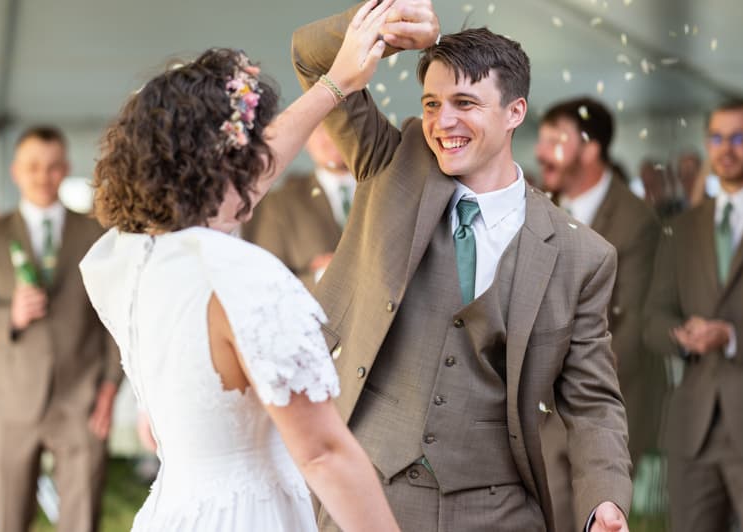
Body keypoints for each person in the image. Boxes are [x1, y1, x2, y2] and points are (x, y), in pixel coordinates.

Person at [293, 3, 632, 531]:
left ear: (515, 111)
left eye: (465, 103)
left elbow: (592, 402)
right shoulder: (391, 165)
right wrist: (388, 25)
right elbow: (311, 59)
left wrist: (605, 500)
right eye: (431, 103)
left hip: (499, 510)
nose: (443, 121)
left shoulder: (581, 255)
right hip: (368, 498)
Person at [79, 2, 400, 530]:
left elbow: (241, 177)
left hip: (174, 510)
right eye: (247, 148)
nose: (260, 161)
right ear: (227, 163)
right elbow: (322, 453)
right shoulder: (240, 276)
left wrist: (335, 85)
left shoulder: (124, 258)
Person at [0, 126, 122, 531]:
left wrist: (109, 388)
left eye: (54, 166)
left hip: (83, 401)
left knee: (81, 521)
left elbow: (114, 320)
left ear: (66, 170)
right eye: (34, 166)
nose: (44, 175)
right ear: (15, 171)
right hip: (9, 404)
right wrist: (9, 317)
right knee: (7, 521)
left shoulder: (96, 233)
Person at [535, 97, 663, 531]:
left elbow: (634, 325)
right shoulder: (534, 205)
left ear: (590, 150)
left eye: (557, 139)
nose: (540, 150)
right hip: (541, 408)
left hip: (606, 401)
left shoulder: (636, 220)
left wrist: (562, 379)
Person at [644, 100, 743, 532]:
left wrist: (733, 336)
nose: (726, 149)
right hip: (691, 430)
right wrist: (682, 336)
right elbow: (653, 319)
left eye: (738, 137)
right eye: (717, 138)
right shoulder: (683, 228)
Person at [245, 122, 354, 290]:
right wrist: (322, 276)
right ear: (305, 140)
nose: (329, 137)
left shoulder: (386, 192)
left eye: (337, 125)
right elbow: (267, 281)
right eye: (318, 129)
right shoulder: (281, 202)